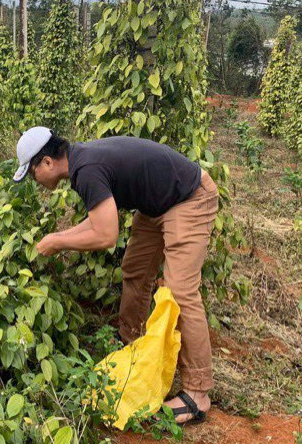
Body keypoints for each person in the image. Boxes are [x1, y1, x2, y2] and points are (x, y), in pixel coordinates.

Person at [13, 127, 219, 425]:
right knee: (135, 270)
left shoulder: (86, 170)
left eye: (33, 174)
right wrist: (57, 238)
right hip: (156, 205)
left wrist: (57, 242)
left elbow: (106, 235)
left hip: (189, 198)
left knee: (180, 291)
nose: (36, 182)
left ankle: (198, 393)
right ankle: (130, 342)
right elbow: (96, 221)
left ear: (46, 162)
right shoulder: (81, 162)